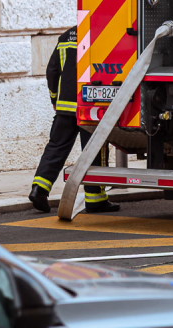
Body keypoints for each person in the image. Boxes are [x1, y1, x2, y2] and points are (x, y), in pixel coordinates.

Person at [29, 26, 118, 213]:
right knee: (94, 150)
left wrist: (55, 98)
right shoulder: (103, 32)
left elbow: (52, 70)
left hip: (65, 106)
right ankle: (96, 199)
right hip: (90, 105)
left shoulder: (67, 35)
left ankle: (39, 189)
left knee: (56, 147)